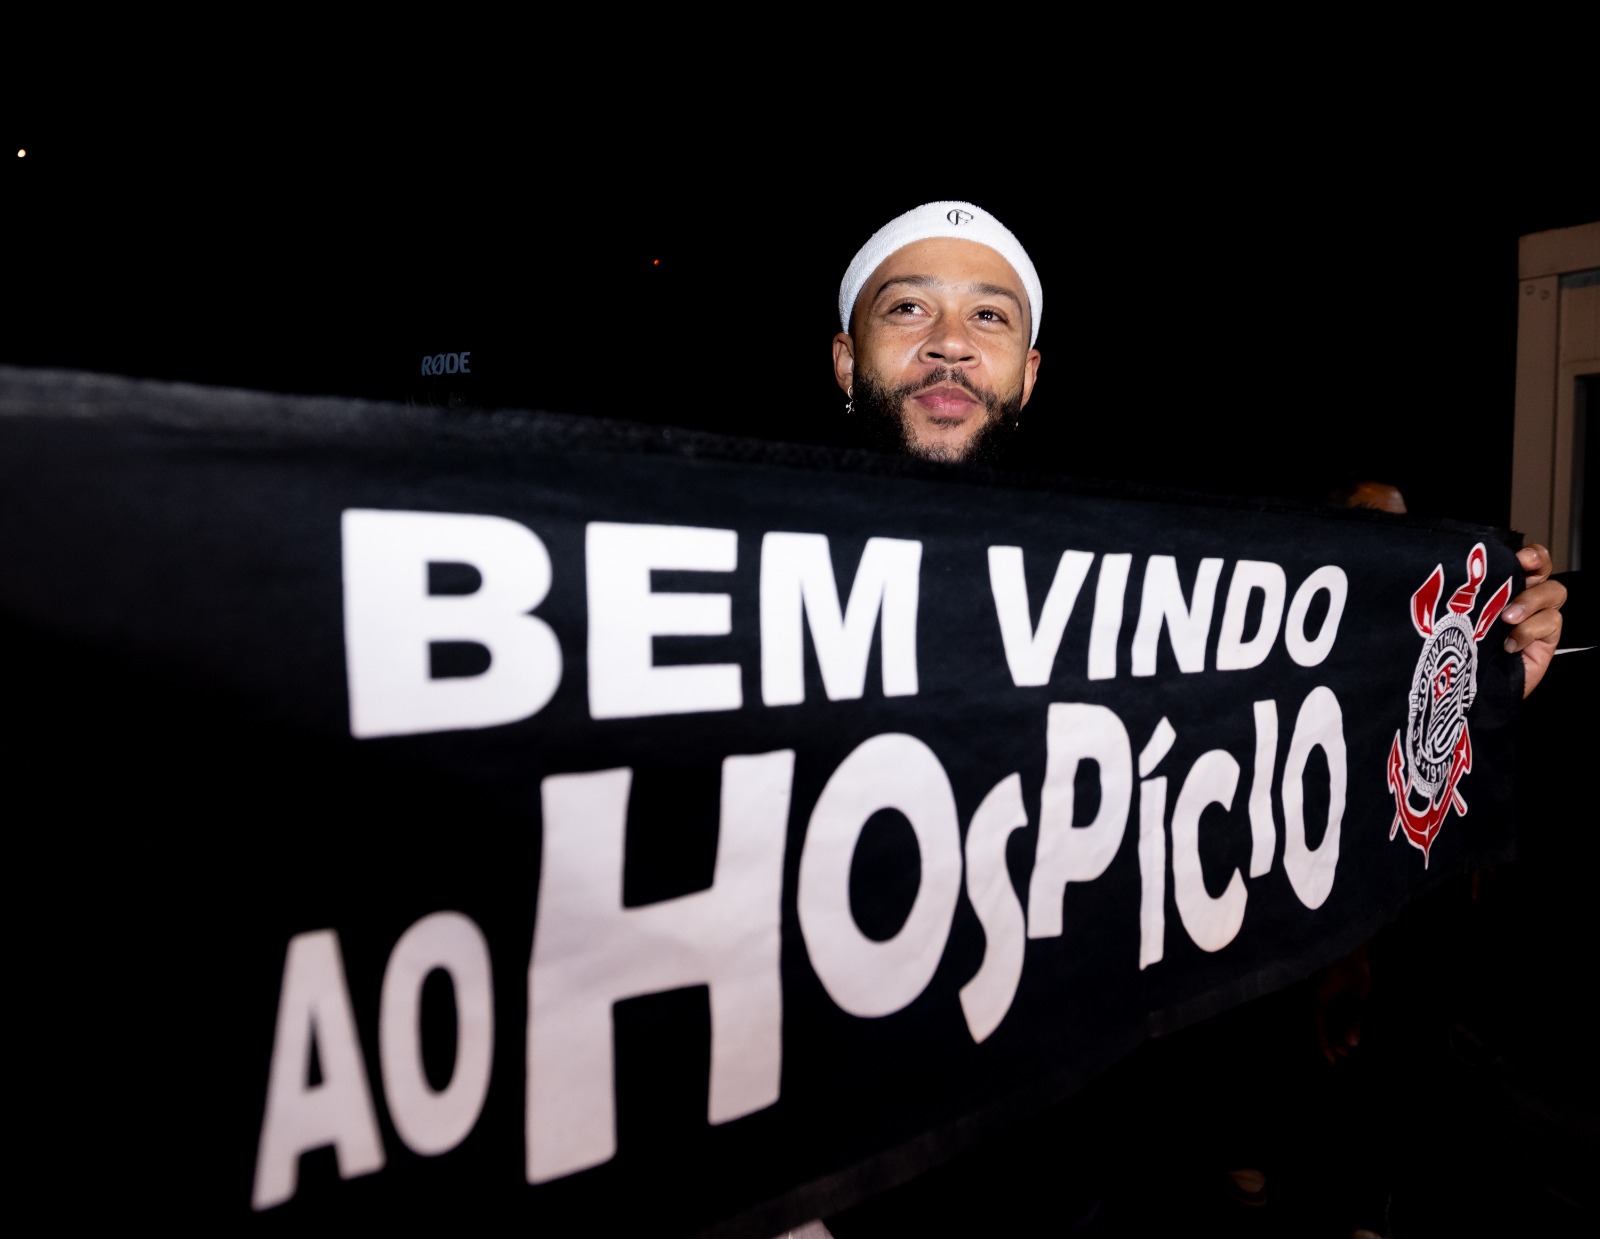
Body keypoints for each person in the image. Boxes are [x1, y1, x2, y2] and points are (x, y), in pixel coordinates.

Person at [819, 202, 1569, 1236]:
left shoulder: (1121, 598)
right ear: (844, 358)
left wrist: (1466, 693)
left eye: (988, 317)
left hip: (1055, 1172)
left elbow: (1270, 782)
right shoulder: (706, 584)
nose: (951, 340)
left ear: (1029, 372)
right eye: (908, 307)